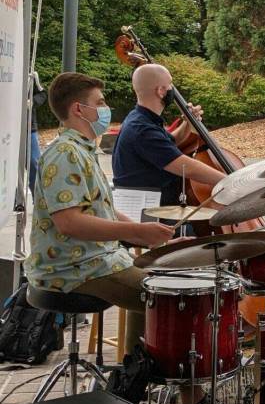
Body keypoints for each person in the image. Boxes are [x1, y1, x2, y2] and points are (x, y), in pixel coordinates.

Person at [26, 73, 179, 357]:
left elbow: (102, 209)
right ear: (78, 109)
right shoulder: (65, 154)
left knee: (155, 280)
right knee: (171, 296)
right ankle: (164, 385)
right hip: (74, 269)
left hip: (92, 261)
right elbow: (70, 222)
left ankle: (135, 368)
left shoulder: (81, 150)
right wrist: (136, 233)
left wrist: (146, 233)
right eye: (100, 102)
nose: (106, 108)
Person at [113, 64, 226, 208]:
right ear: (161, 91)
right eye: (170, 84)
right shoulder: (142, 129)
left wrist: (187, 122)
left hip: (154, 205)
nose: (172, 89)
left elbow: (171, 142)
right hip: (147, 213)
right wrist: (232, 180)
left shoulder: (141, 118)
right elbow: (187, 167)